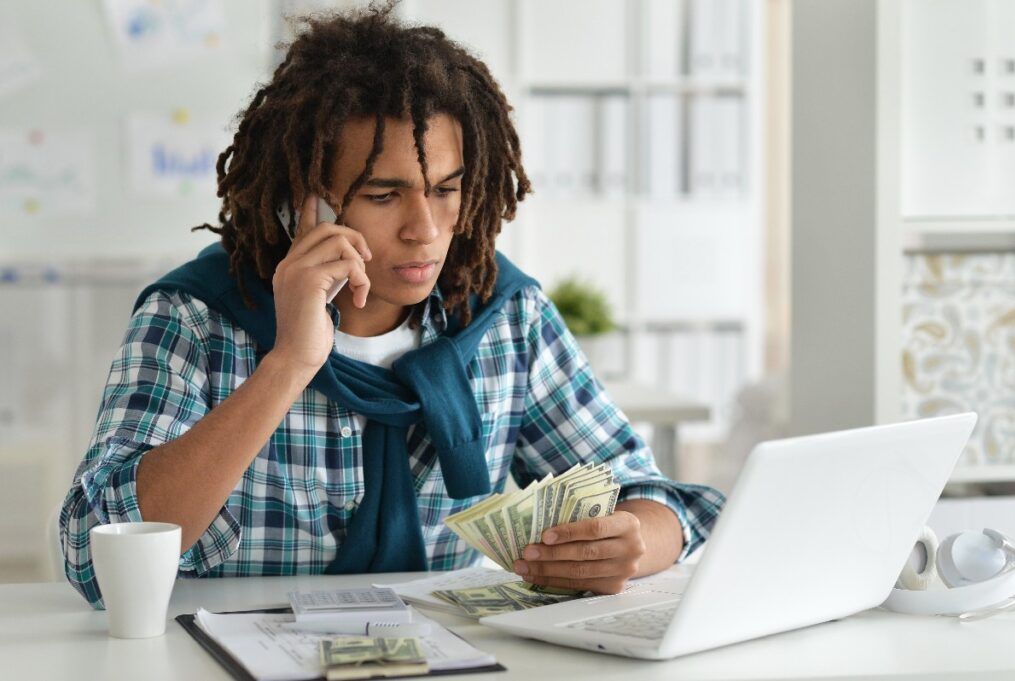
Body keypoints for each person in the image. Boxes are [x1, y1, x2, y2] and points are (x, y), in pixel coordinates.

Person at [60, 3, 724, 609]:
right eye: (384, 196)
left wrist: (633, 539)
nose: (426, 230)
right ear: (312, 195)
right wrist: (289, 362)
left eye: (445, 190)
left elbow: (667, 501)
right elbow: (96, 552)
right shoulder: (193, 317)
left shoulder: (504, 318)